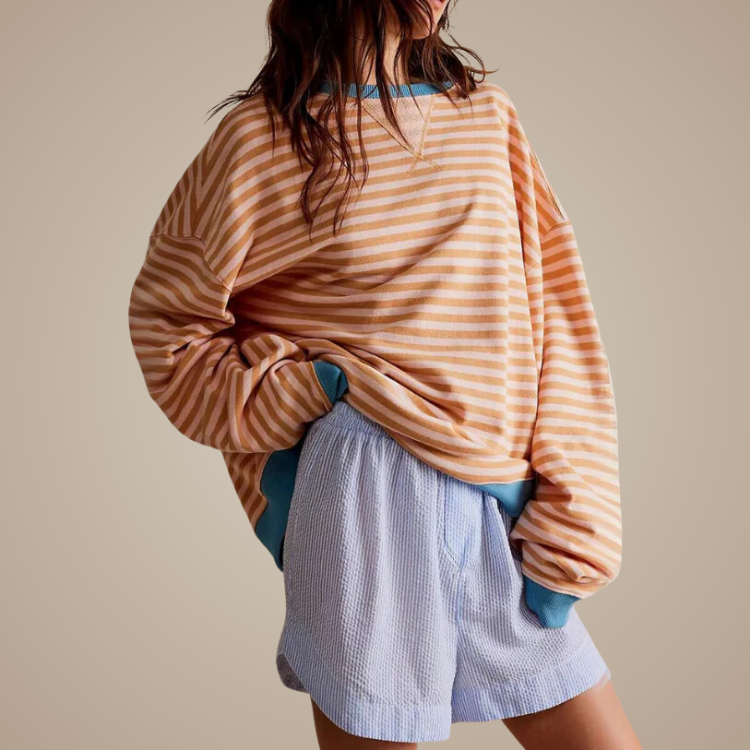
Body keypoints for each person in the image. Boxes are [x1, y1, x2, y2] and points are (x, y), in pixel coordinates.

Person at [127, 1, 641, 747]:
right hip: (360, 485)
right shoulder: (260, 138)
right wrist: (307, 390)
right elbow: (170, 330)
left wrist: (577, 513)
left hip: (496, 495)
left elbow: (558, 316)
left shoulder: (486, 120)